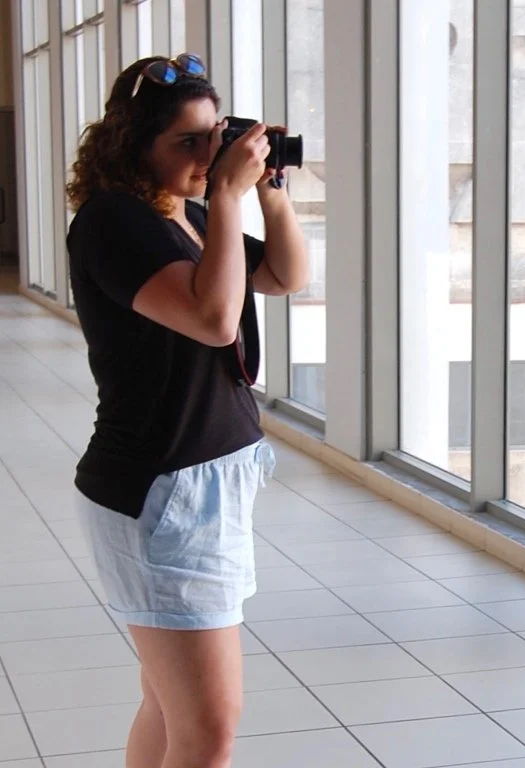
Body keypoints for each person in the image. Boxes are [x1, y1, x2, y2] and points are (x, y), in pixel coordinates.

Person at [66, 54, 308, 768]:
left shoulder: (195, 212)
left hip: (205, 482)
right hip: (162, 492)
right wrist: (228, 198)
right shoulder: (114, 222)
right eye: (188, 143)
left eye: (215, 137)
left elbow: (286, 275)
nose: (209, 156)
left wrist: (269, 194)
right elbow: (213, 318)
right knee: (209, 728)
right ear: (133, 145)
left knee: (170, 708)